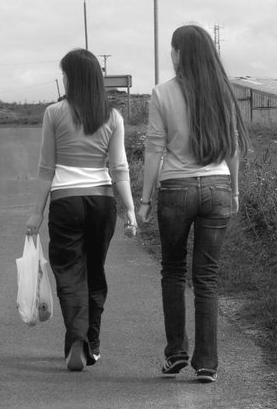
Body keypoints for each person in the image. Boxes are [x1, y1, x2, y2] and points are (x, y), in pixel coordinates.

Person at [139, 24, 247, 384]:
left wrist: (144, 199)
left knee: (172, 270)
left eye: (173, 50)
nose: (170, 55)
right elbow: (232, 146)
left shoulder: (161, 93)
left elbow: (154, 149)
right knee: (207, 277)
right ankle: (207, 363)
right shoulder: (222, 92)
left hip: (176, 189)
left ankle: (176, 354)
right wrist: (233, 190)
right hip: (217, 187)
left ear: (180, 54)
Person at [27, 48, 138, 372]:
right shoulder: (112, 117)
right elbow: (119, 168)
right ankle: (94, 343)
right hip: (102, 202)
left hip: (66, 203)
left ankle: (77, 338)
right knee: (94, 272)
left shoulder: (54, 113)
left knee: (69, 272)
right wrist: (130, 210)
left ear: (72, 78)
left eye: (64, 74)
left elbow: (46, 168)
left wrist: (36, 213)